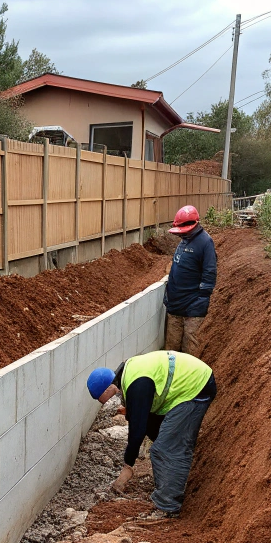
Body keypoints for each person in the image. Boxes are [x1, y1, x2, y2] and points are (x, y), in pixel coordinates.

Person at [86, 350, 217, 518]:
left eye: (107, 399)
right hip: (192, 383)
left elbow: (137, 430)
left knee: (165, 449)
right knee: (163, 443)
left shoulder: (137, 384)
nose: (114, 402)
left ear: (108, 390)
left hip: (195, 388)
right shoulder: (130, 374)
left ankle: (168, 506)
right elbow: (146, 420)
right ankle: (171, 480)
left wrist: (128, 464)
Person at [164, 205, 217, 355]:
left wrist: (201, 299)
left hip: (193, 305)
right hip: (175, 304)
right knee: (171, 347)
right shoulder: (184, 241)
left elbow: (210, 272)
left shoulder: (205, 242)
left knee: (190, 346)